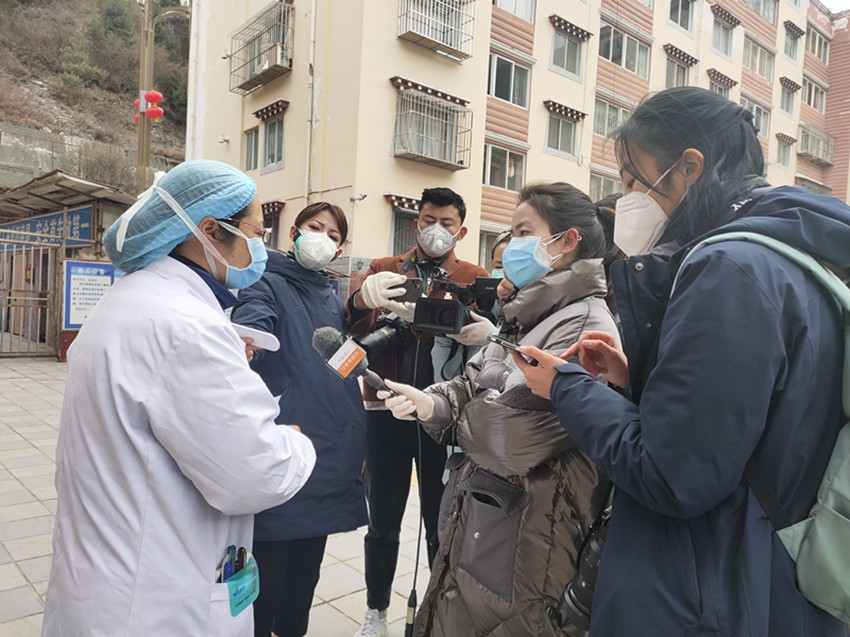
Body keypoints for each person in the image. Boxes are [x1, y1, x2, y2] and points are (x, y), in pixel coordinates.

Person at [513, 87, 850, 637]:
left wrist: (568, 386)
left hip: (714, 590)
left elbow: (674, 476)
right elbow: (761, 421)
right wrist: (637, 378)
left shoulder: (729, 268)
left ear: (688, 168)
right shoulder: (797, 257)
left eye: (632, 181)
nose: (625, 199)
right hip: (776, 572)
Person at [42, 160, 317, 636]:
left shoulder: (134, 300)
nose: (261, 246)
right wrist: (294, 441)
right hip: (155, 603)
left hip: (105, 580)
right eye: (257, 231)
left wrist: (223, 356)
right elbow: (256, 474)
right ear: (210, 230)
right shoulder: (188, 328)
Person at [377, 182, 619, 636]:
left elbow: (511, 437)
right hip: (489, 521)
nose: (512, 245)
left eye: (524, 232)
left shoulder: (582, 324)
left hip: (533, 538)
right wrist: (431, 402)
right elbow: (472, 384)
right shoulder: (528, 315)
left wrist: (453, 416)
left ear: (567, 241)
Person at [346, 187, 489, 637]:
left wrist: (483, 330)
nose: (437, 230)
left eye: (447, 223)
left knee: (440, 521)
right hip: (384, 408)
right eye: (429, 220)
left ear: (461, 231)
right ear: (416, 223)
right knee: (382, 519)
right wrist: (363, 299)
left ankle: (437, 612)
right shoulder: (384, 269)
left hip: (439, 414)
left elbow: (489, 346)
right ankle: (376, 611)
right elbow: (350, 325)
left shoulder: (472, 277)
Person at [230, 202, 368, 637]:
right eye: (315, 227)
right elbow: (253, 329)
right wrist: (246, 342)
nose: (322, 238)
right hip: (287, 440)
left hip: (329, 448)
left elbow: (339, 362)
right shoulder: (264, 281)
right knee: (267, 574)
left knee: (305, 576)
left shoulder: (331, 297)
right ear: (293, 232)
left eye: (333, 235)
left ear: (340, 248)